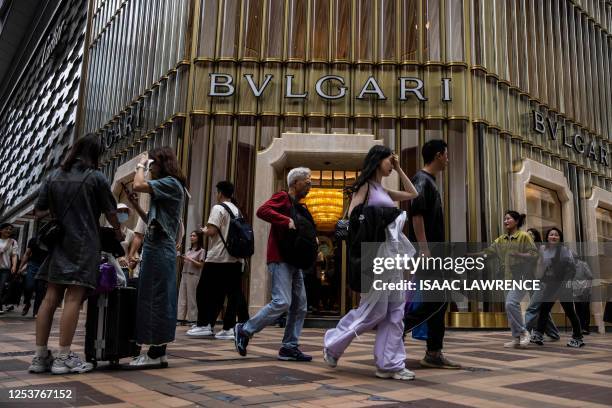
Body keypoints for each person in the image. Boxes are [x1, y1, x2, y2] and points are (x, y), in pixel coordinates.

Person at [323, 145, 419, 381]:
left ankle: (390, 364)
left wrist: (398, 167)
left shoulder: (384, 190)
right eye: (389, 160)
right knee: (374, 311)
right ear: (377, 160)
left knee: (396, 312)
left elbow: (413, 193)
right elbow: (352, 220)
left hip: (392, 254)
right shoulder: (365, 187)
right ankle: (333, 345)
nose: (391, 163)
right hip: (375, 255)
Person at [29, 134, 123, 374]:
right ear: (95, 153)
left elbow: (38, 212)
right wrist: (118, 231)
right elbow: (112, 212)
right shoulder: (96, 178)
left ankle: (40, 357)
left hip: (59, 242)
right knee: (73, 298)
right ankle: (63, 357)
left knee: (50, 297)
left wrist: (59, 211)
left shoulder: (53, 176)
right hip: (84, 243)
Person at [234, 168, 314, 361]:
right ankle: (245, 329)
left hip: (294, 261)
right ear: (295, 182)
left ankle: (289, 346)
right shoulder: (282, 197)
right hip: (280, 258)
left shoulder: (299, 206)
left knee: (300, 305)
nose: (310, 184)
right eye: (307, 180)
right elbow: (262, 210)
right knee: (283, 301)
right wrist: (285, 220)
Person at [403, 139, 461, 369]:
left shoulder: (429, 181)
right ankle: (398, 328)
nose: (448, 159)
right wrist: (425, 250)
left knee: (438, 301)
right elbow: (416, 215)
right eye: (446, 155)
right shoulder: (421, 180)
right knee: (436, 301)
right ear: (438, 155)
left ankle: (433, 352)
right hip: (429, 254)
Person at [127, 147, 186, 368]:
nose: (150, 169)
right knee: (159, 297)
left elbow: (138, 184)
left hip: (159, 247)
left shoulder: (170, 183)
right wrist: (135, 205)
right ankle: (158, 351)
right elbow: (152, 219)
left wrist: (141, 164)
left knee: (155, 298)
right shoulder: (169, 186)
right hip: (158, 246)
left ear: (161, 164)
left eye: (153, 165)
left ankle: (154, 352)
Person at [188, 181, 249, 340]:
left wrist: (204, 230)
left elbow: (213, 230)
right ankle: (229, 328)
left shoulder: (218, 208)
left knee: (204, 290)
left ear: (220, 193)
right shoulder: (238, 211)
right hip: (236, 259)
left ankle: (203, 324)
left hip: (218, 257)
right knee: (230, 294)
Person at [480, 211, 538, 348]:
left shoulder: (524, 236)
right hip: (507, 278)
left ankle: (524, 332)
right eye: (504, 219)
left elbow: (534, 253)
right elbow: (488, 252)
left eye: (508, 218)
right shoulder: (501, 239)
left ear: (516, 221)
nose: (506, 221)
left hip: (522, 276)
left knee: (510, 304)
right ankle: (516, 338)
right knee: (512, 306)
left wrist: (520, 254)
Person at [531, 228, 584, 348]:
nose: (553, 237)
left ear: (560, 238)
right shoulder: (544, 250)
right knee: (544, 309)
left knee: (570, 311)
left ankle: (578, 337)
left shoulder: (564, 250)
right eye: (551, 235)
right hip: (550, 284)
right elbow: (544, 267)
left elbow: (572, 269)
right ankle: (538, 335)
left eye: (556, 235)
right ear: (547, 237)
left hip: (563, 284)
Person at [524, 228, 560, 341]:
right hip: (530, 282)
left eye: (531, 234)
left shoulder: (542, 248)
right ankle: (553, 333)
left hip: (542, 282)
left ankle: (524, 334)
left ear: (536, 237)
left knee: (533, 308)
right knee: (540, 308)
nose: (529, 236)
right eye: (527, 234)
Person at [177, 231, 204, 325]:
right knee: (182, 297)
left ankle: (192, 319)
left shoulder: (201, 251)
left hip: (193, 275)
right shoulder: (189, 250)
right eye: (191, 235)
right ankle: (180, 319)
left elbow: (201, 264)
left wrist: (190, 259)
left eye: (194, 236)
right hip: (184, 274)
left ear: (198, 238)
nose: (191, 237)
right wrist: (182, 259)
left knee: (192, 297)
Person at [19, 236, 49, 317]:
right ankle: (27, 303)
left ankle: (36, 311)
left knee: (40, 290)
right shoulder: (34, 240)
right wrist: (20, 267)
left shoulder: (52, 241)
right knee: (29, 286)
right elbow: (27, 254)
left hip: (45, 267)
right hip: (33, 265)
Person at [0, 223, 19, 315]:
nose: (8, 230)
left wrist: (14, 266)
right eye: (6, 229)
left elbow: (14, 255)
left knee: (2, 287)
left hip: (5, 268)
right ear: (1, 230)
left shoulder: (12, 242)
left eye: (10, 229)